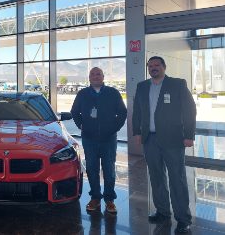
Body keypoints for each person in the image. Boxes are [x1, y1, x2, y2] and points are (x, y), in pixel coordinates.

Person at [132, 56, 196, 234]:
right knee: (156, 177)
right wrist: (137, 131)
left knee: (177, 179)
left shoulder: (178, 84)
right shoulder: (142, 86)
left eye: (157, 65)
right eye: (150, 66)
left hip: (173, 140)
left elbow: (190, 110)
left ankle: (183, 219)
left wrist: (189, 135)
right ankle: (162, 212)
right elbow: (137, 110)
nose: (153, 68)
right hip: (150, 140)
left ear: (164, 67)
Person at [71, 67, 127, 214]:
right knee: (91, 169)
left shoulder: (113, 93)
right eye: (93, 74)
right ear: (89, 78)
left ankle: (109, 199)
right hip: (89, 139)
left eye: (98, 74)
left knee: (109, 169)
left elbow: (122, 112)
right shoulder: (82, 94)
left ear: (103, 77)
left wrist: (113, 128)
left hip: (108, 139)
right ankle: (95, 197)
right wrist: (82, 126)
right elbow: (75, 112)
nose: (95, 76)